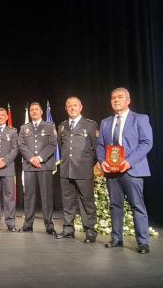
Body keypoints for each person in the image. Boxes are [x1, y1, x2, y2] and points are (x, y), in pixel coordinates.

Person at [96, 88, 153, 254]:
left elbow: (147, 143)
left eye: (120, 97)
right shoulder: (106, 122)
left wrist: (129, 162)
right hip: (111, 171)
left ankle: (143, 242)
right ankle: (116, 238)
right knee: (115, 205)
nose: (116, 100)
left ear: (128, 100)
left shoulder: (140, 119)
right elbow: (100, 146)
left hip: (132, 169)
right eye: (113, 98)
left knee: (137, 206)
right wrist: (102, 162)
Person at [55, 97, 98, 243]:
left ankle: (90, 231)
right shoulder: (62, 126)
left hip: (83, 170)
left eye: (75, 105)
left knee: (87, 202)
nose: (72, 108)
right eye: (69, 106)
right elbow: (62, 146)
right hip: (66, 169)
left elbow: (95, 147)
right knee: (67, 201)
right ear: (66, 108)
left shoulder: (90, 125)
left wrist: (88, 164)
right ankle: (68, 229)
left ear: (81, 107)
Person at [17, 102, 57, 234]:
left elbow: (52, 145)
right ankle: (28, 224)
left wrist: (39, 158)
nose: (34, 112)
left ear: (41, 112)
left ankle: (49, 225)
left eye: (36, 110)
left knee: (46, 197)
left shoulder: (50, 126)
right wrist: (31, 159)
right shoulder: (24, 128)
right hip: (29, 166)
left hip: (44, 165)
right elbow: (21, 145)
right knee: (29, 196)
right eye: (31, 110)